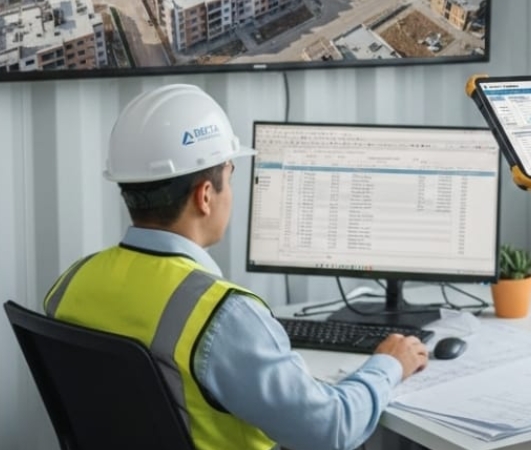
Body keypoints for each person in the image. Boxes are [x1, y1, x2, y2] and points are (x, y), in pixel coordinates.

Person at [43, 84, 428, 450]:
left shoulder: (70, 284)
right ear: (205, 196)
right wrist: (389, 365)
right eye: (230, 175)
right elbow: (331, 428)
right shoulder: (224, 315)